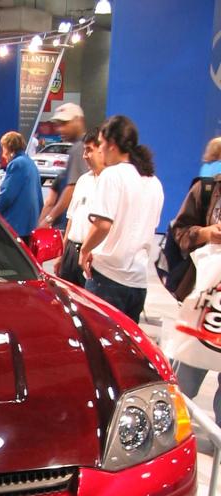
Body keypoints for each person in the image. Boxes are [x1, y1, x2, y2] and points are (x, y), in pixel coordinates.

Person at [79, 115, 164, 323]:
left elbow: (102, 224)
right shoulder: (153, 181)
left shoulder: (112, 175)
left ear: (112, 145)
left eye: (101, 144)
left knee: (96, 338)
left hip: (108, 279)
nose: (100, 150)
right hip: (138, 283)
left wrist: (85, 250)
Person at [170, 173, 221, 426]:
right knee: (182, 385)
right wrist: (205, 233)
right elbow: (179, 231)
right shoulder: (208, 189)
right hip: (203, 302)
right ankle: (170, 437)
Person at [52, 128, 105, 287]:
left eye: (89, 150)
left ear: (102, 149)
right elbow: (71, 219)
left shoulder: (110, 183)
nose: (84, 156)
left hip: (92, 255)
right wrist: (61, 254)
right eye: (84, 150)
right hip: (71, 252)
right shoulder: (83, 180)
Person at [42, 102, 88, 225]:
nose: (60, 129)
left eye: (65, 124)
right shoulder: (80, 146)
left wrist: (48, 219)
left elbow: (72, 188)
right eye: (58, 125)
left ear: (79, 121)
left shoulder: (80, 148)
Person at [0, 131, 43, 243]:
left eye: (3, 148)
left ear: (9, 147)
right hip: (29, 222)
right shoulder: (29, 162)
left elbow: (7, 195)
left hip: (16, 223)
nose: (3, 153)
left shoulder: (17, 164)